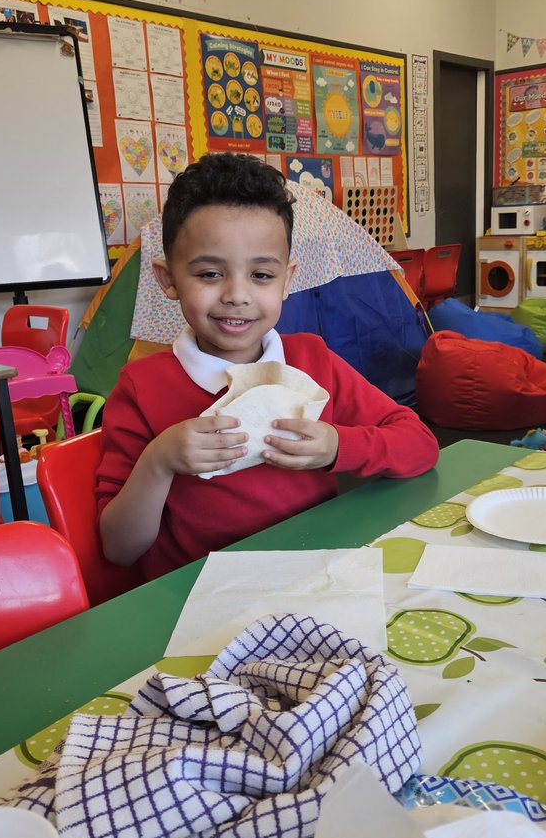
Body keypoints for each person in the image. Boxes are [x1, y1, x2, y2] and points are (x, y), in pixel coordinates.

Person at [96, 152, 440, 579]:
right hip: (199, 596)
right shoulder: (142, 386)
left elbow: (420, 444)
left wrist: (337, 446)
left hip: (315, 573)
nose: (237, 295)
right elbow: (119, 547)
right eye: (209, 274)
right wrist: (160, 460)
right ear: (168, 280)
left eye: (261, 275)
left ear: (287, 279)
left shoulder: (312, 361)